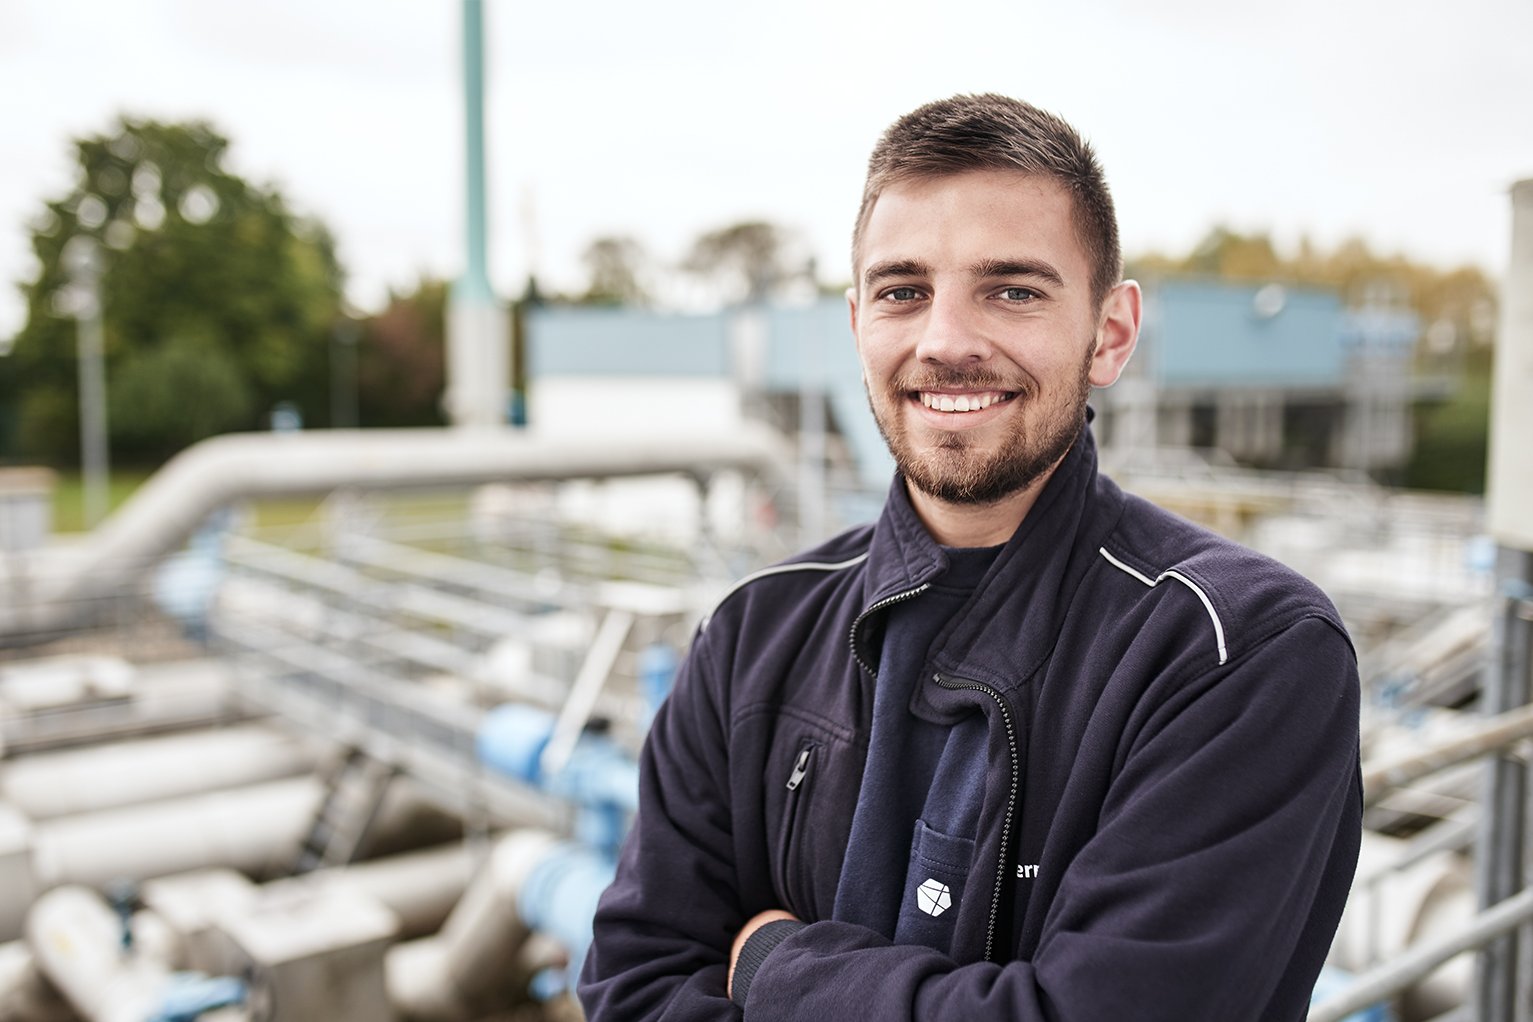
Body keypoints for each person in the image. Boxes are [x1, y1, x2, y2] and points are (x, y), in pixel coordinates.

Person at [579, 93, 1362, 1021]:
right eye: (902, 291)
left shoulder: (1238, 651)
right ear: (858, 322)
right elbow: (633, 987)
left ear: (1108, 333)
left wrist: (771, 964)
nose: (945, 341)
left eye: (1013, 291)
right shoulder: (753, 632)